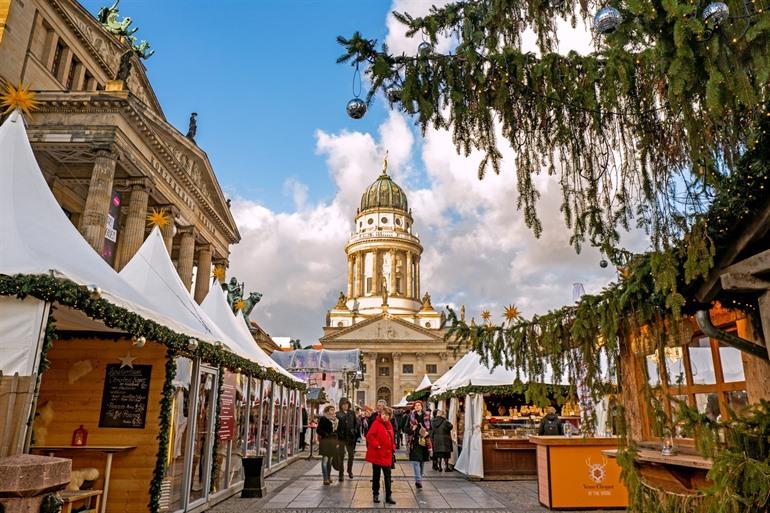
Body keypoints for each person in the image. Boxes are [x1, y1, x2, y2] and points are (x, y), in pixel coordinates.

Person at [365, 406, 396, 505]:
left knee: (388, 476)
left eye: (387, 415)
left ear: (390, 416)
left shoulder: (389, 424)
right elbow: (369, 435)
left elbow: (391, 437)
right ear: (380, 414)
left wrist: (393, 446)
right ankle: (375, 494)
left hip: (387, 454)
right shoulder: (376, 423)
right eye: (383, 414)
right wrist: (377, 445)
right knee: (376, 475)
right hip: (377, 454)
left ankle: (388, 496)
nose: (385, 416)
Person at [403, 400, 431, 488]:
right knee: (415, 461)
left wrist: (428, 433)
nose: (417, 406)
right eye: (416, 405)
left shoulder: (426, 416)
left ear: (422, 407)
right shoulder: (410, 416)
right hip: (414, 441)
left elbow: (431, 429)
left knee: (421, 462)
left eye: (419, 405)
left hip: (424, 442)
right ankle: (418, 480)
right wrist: (412, 429)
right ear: (414, 407)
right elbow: (405, 429)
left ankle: (419, 479)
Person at [317, 405, 340, 485]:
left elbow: (337, 432)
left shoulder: (336, 420)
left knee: (330, 461)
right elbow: (318, 430)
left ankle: (329, 476)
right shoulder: (323, 419)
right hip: (325, 441)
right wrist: (326, 434)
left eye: (333, 410)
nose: (333, 411)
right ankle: (325, 478)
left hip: (333, 442)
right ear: (327, 411)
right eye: (331, 410)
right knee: (325, 460)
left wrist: (337, 442)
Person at [336, 397, 358, 480]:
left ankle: (349, 470)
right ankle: (341, 473)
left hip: (350, 437)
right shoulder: (338, 414)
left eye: (347, 404)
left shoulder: (352, 413)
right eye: (344, 404)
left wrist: (354, 430)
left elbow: (356, 423)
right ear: (341, 405)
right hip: (341, 438)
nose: (345, 406)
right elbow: (336, 426)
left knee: (351, 455)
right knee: (341, 456)